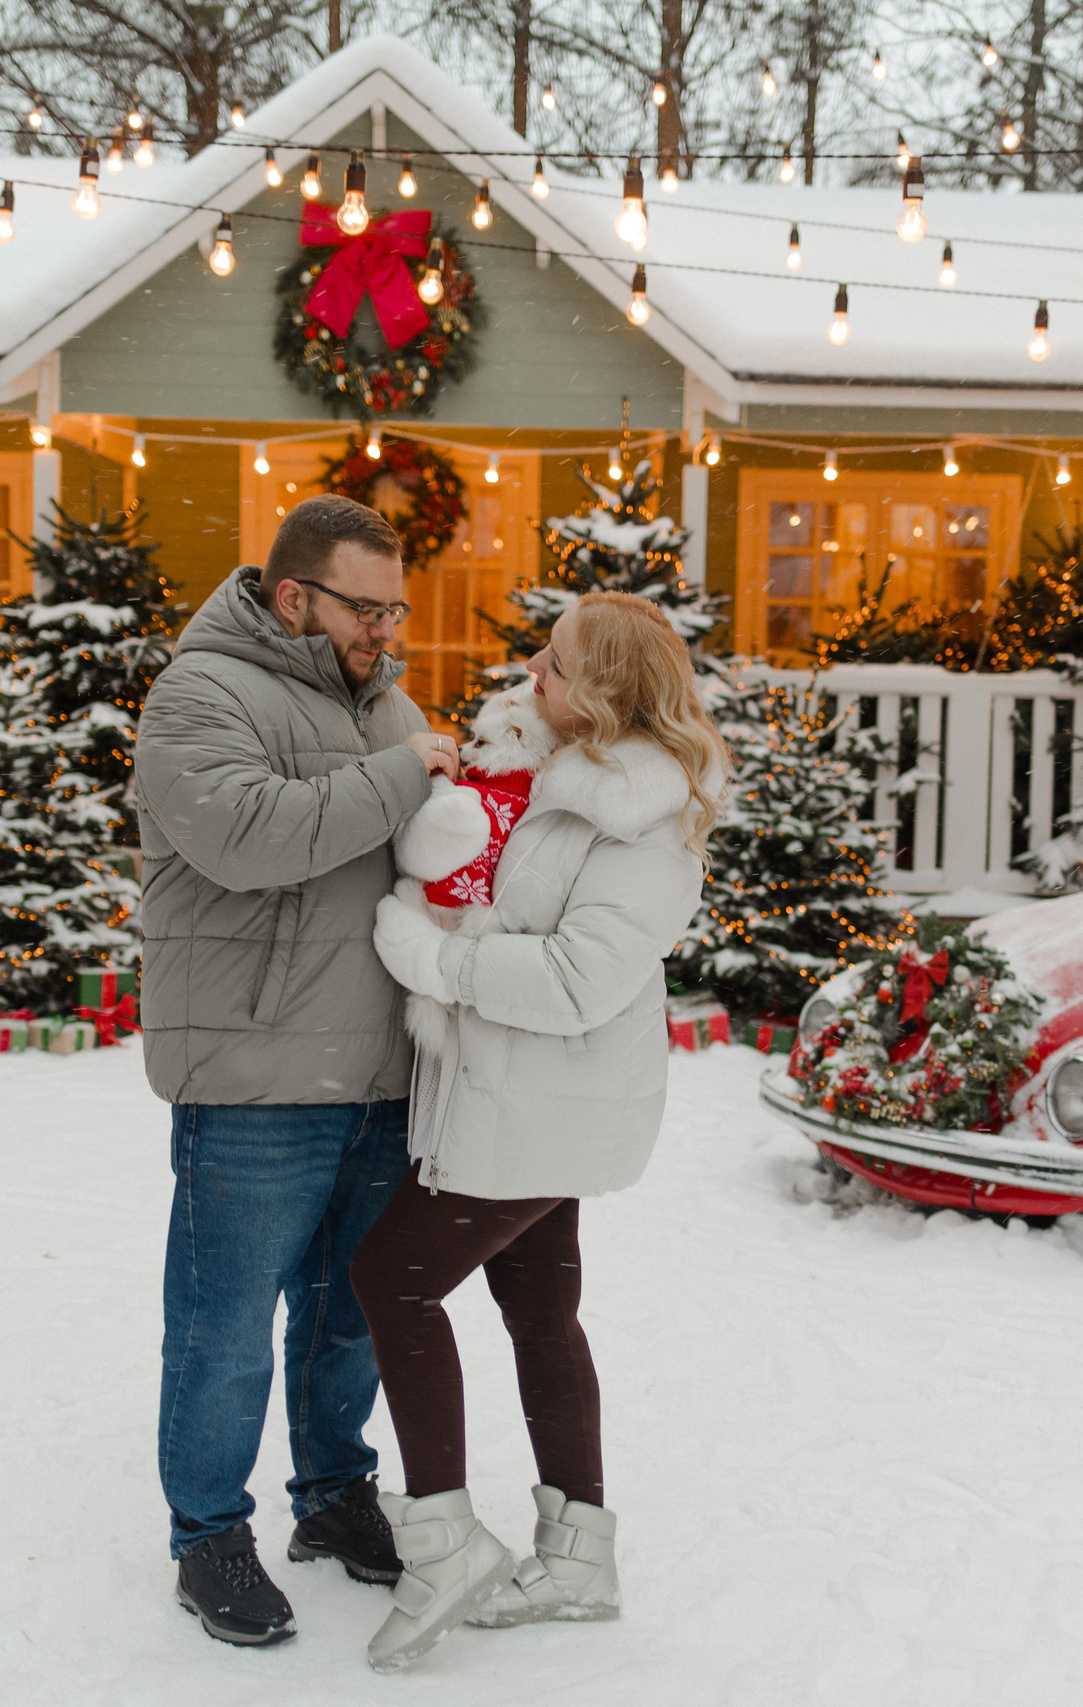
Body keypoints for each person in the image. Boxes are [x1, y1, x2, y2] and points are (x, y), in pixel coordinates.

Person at [354, 590, 726, 1672]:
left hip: (540, 1102)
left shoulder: (644, 822)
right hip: (523, 1093)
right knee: (539, 1308)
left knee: (392, 1279)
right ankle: (576, 1556)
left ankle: (443, 1544)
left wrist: (438, 960)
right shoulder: (566, 780)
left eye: (553, 663)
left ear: (601, 689)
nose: (532, 674)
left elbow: (575, 981)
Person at [131, 495, 462, 1648]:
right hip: (255, 1069)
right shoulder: (201, 693)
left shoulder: (388, 707)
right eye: (365, 608)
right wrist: (406, 773)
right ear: (291, 597)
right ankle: (209, 1535)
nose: (387, 630)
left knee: (348, 1316)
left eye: (395, 609)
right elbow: (246, 836)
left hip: (379, 1072)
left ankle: (332, 1495)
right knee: (222, 1328)